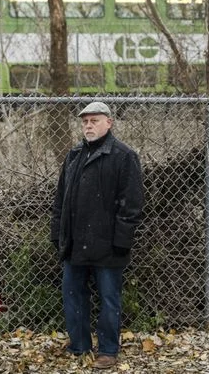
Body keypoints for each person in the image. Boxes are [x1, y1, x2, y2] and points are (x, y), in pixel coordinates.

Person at [50, 101, 144, 370]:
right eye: (85, 122)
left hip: (108, 245)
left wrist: (121, 242)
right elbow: (60, 200)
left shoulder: (124, 156)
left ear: (109, 123)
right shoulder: (74, 155)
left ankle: (108, 350)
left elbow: (132, 205)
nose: (88, 126)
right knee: (73, 295)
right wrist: (58, 235)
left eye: (94, 121)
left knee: (109, 299)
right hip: (75, 243)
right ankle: (79, 345)